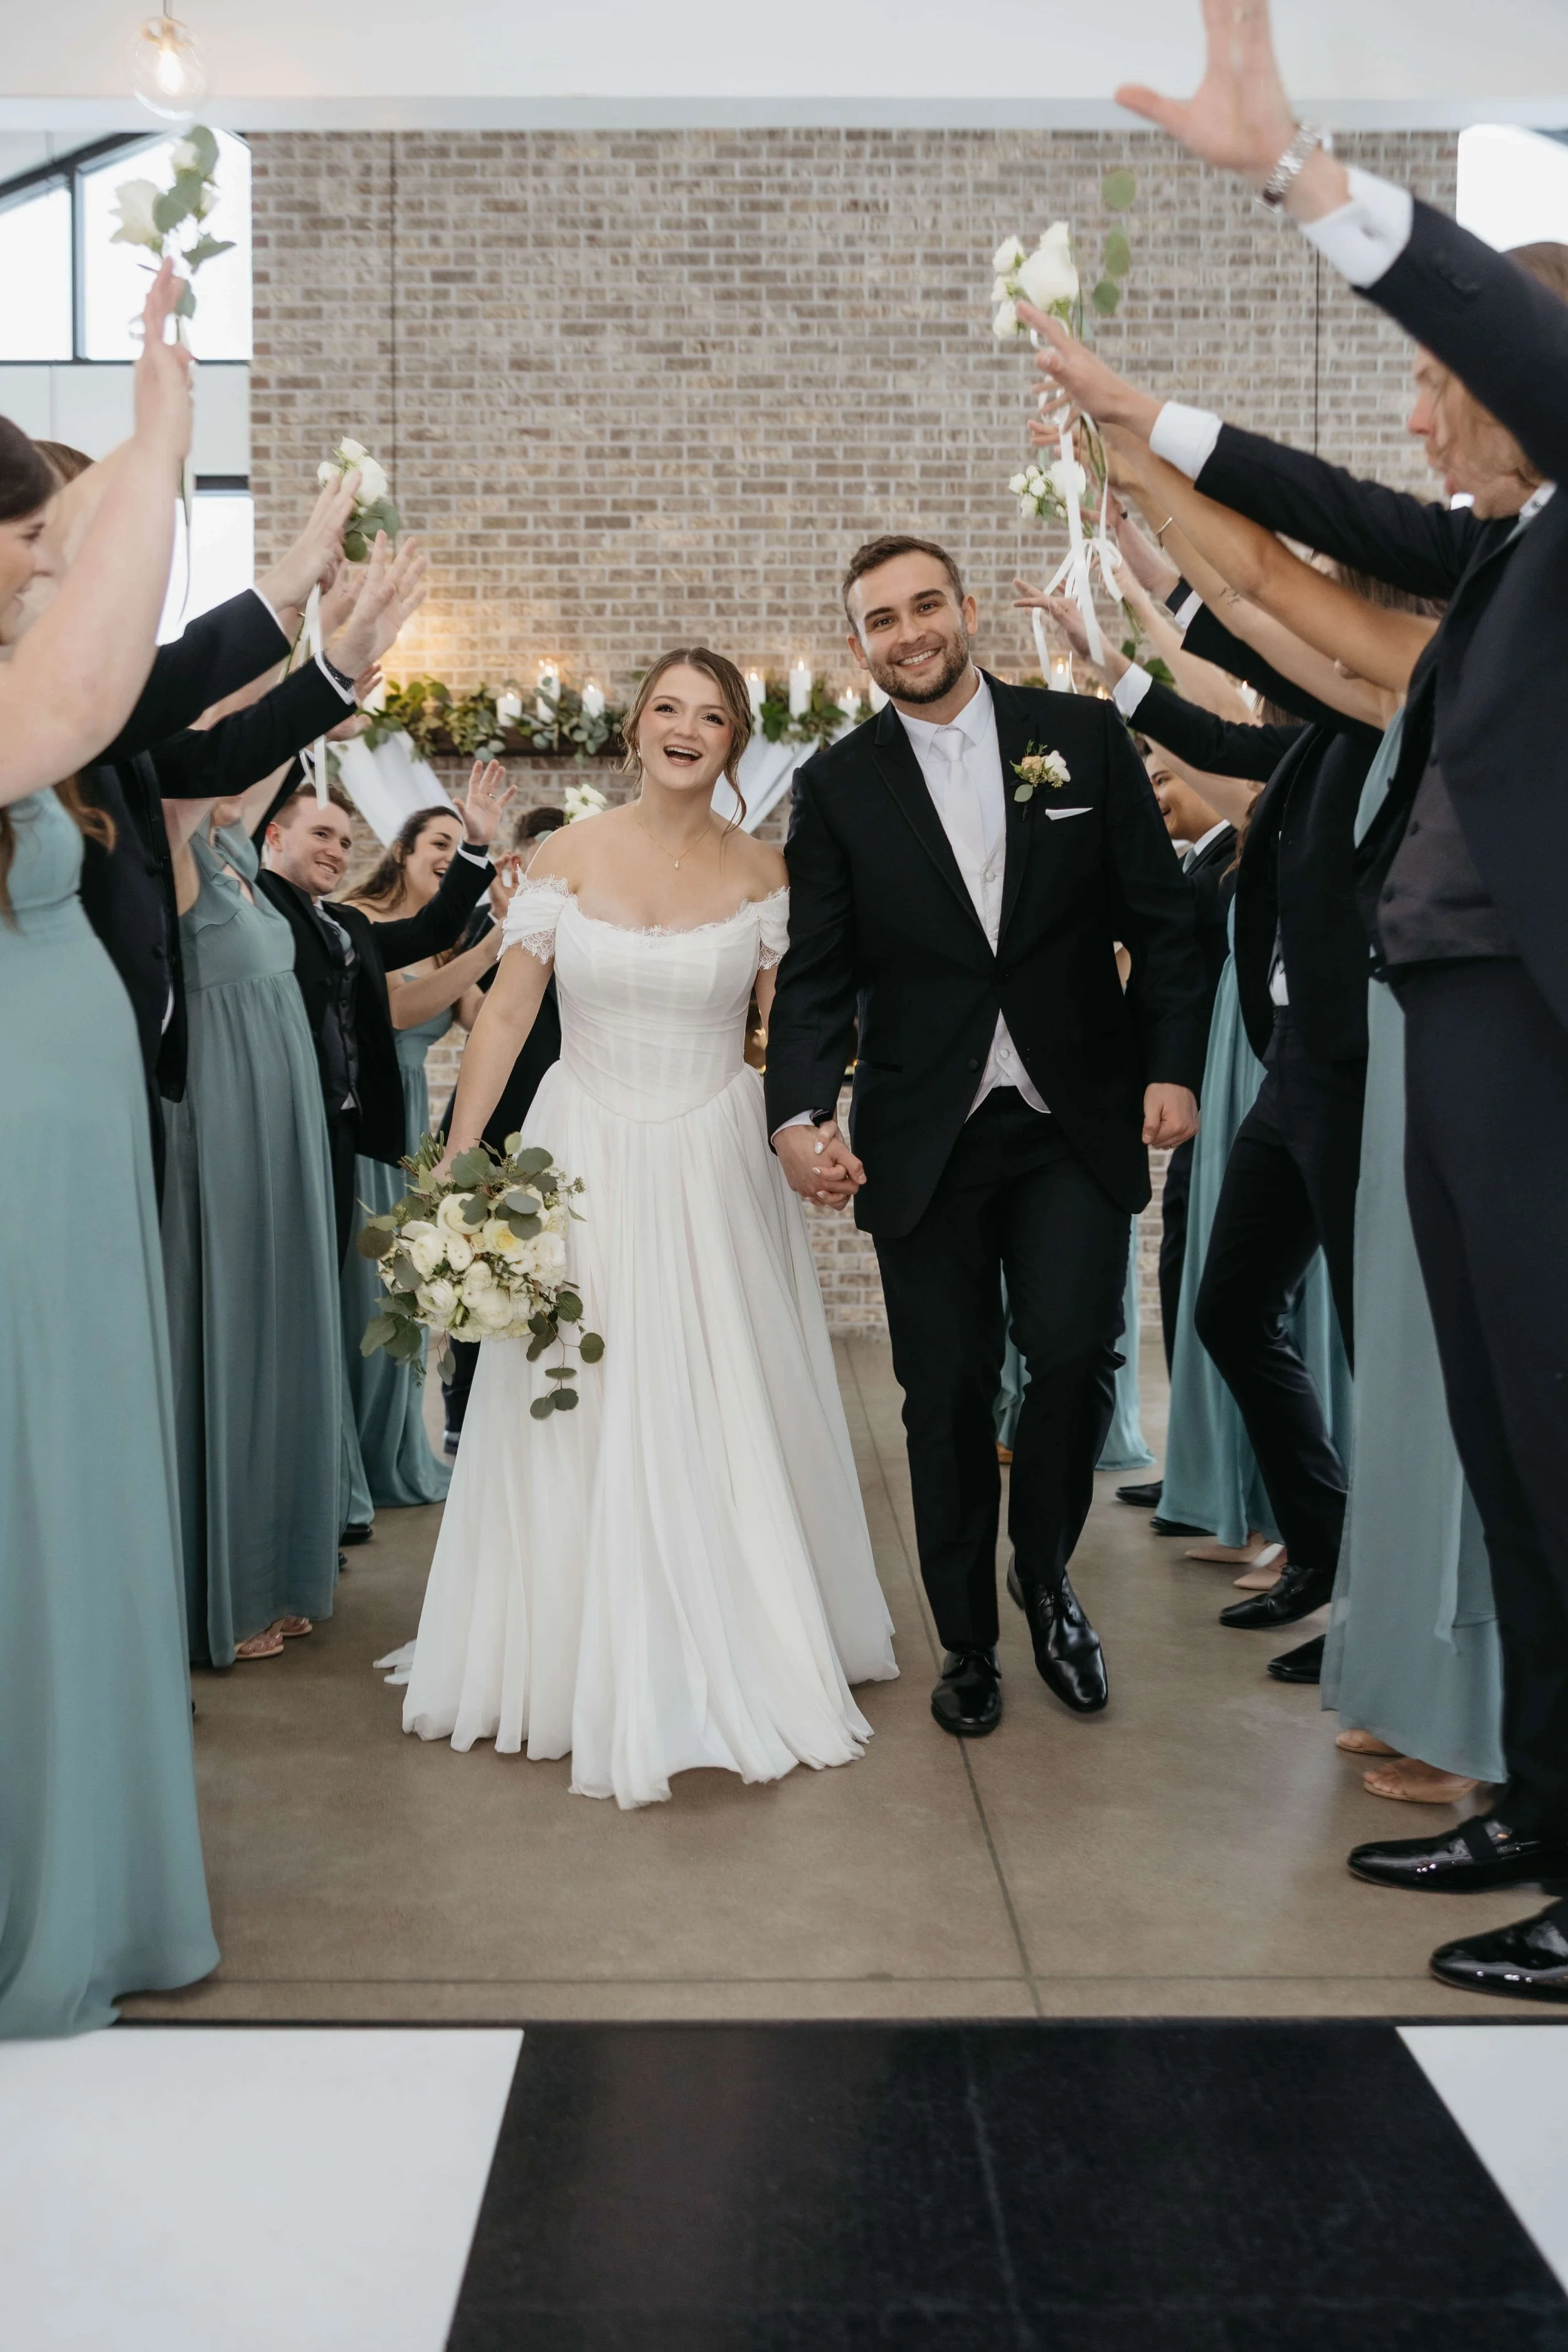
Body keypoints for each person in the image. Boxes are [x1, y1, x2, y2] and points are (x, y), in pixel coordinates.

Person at [1113, 0, 1568, 1997]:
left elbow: (1506, 359)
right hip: (1450, 1022)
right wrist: (1141, 424)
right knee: (1501, 1438)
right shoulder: (1509, 560)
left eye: (1447, 378)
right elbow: (1327, 543)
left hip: (1535, 1027)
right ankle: (1539, 1798)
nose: (1420, 412)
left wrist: (1299, 177)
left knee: (1555, 1440)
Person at [390, 649, 897, 1809]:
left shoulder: (767, 872)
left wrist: (817, 1128)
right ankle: (568, 1643)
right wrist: (462, 1158)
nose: (686, 727)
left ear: (734, 742)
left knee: (712, 1383)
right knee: (581, 1380)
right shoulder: (566, 856)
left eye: (710, 715)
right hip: (582, 1150)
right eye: (668, 708)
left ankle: (735, 1625)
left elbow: (793, 1026)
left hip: (716, 1151)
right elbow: (507, 1016)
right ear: (635, 731)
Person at [765, 536, 1207, 1738]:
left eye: (925, 606)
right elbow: (817, 972)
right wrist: (799, 1114)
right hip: (927, 1131)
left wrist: (1171, 1063)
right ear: (858, 644)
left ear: (964, 609)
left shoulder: (1082, 736)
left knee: (1073, 1356)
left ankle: (1046, 1578)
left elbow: (1163, 921)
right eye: (881, 620)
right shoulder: (838, 786)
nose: (909, 632)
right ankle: (967, 1641)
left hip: (1072, 1114)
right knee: (944, 1390)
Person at [0, 263, 218, 2034]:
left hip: (61, 1144)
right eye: (18, 541)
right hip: (22, 1148)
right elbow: (85, 690)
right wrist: (158, 436)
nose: (37, 568)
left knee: (67, 1473)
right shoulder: (32, 709)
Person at [160, 787, 347, 1664]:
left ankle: (273, 1574)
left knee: (282, 1328)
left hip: (283, 1112)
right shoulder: (172, 848)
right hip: (221, 1103)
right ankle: (221, 1589)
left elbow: (253, 768)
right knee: (230, 1327)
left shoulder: (235, 858)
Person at [254, 760, 509, 1263]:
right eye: (322, 834)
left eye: (346, 842)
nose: (337, 850)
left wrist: (476, 845)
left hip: (348, 1128)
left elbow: (434, 931)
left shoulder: (346, 924)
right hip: (281, 1121)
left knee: (338, 1260)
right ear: (274, 835)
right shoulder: (258, 906)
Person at [337, 805, 507, 1507]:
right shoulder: (361, 918)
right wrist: (492, 943)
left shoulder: (443, 943)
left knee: (405, 1291)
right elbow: (400, 1013)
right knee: (365, 1291)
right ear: (403, 850)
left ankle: (393, 1453)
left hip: (413, 1130)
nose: (446, 855)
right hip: (365, 1123)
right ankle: (352, 1461)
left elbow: (481, 1018)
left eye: (457, 845)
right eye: (438, 842)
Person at [438, 803, 567, 1454]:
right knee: (477, 1255)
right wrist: (502, 927)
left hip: (561, 1109)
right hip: (497, 1107)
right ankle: (462, 1410)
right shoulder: (489, 921)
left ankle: (542, 1408)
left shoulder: (591, 920)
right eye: (539, 846)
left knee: (549, 1261)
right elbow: (472, 1015)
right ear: (521, 853)